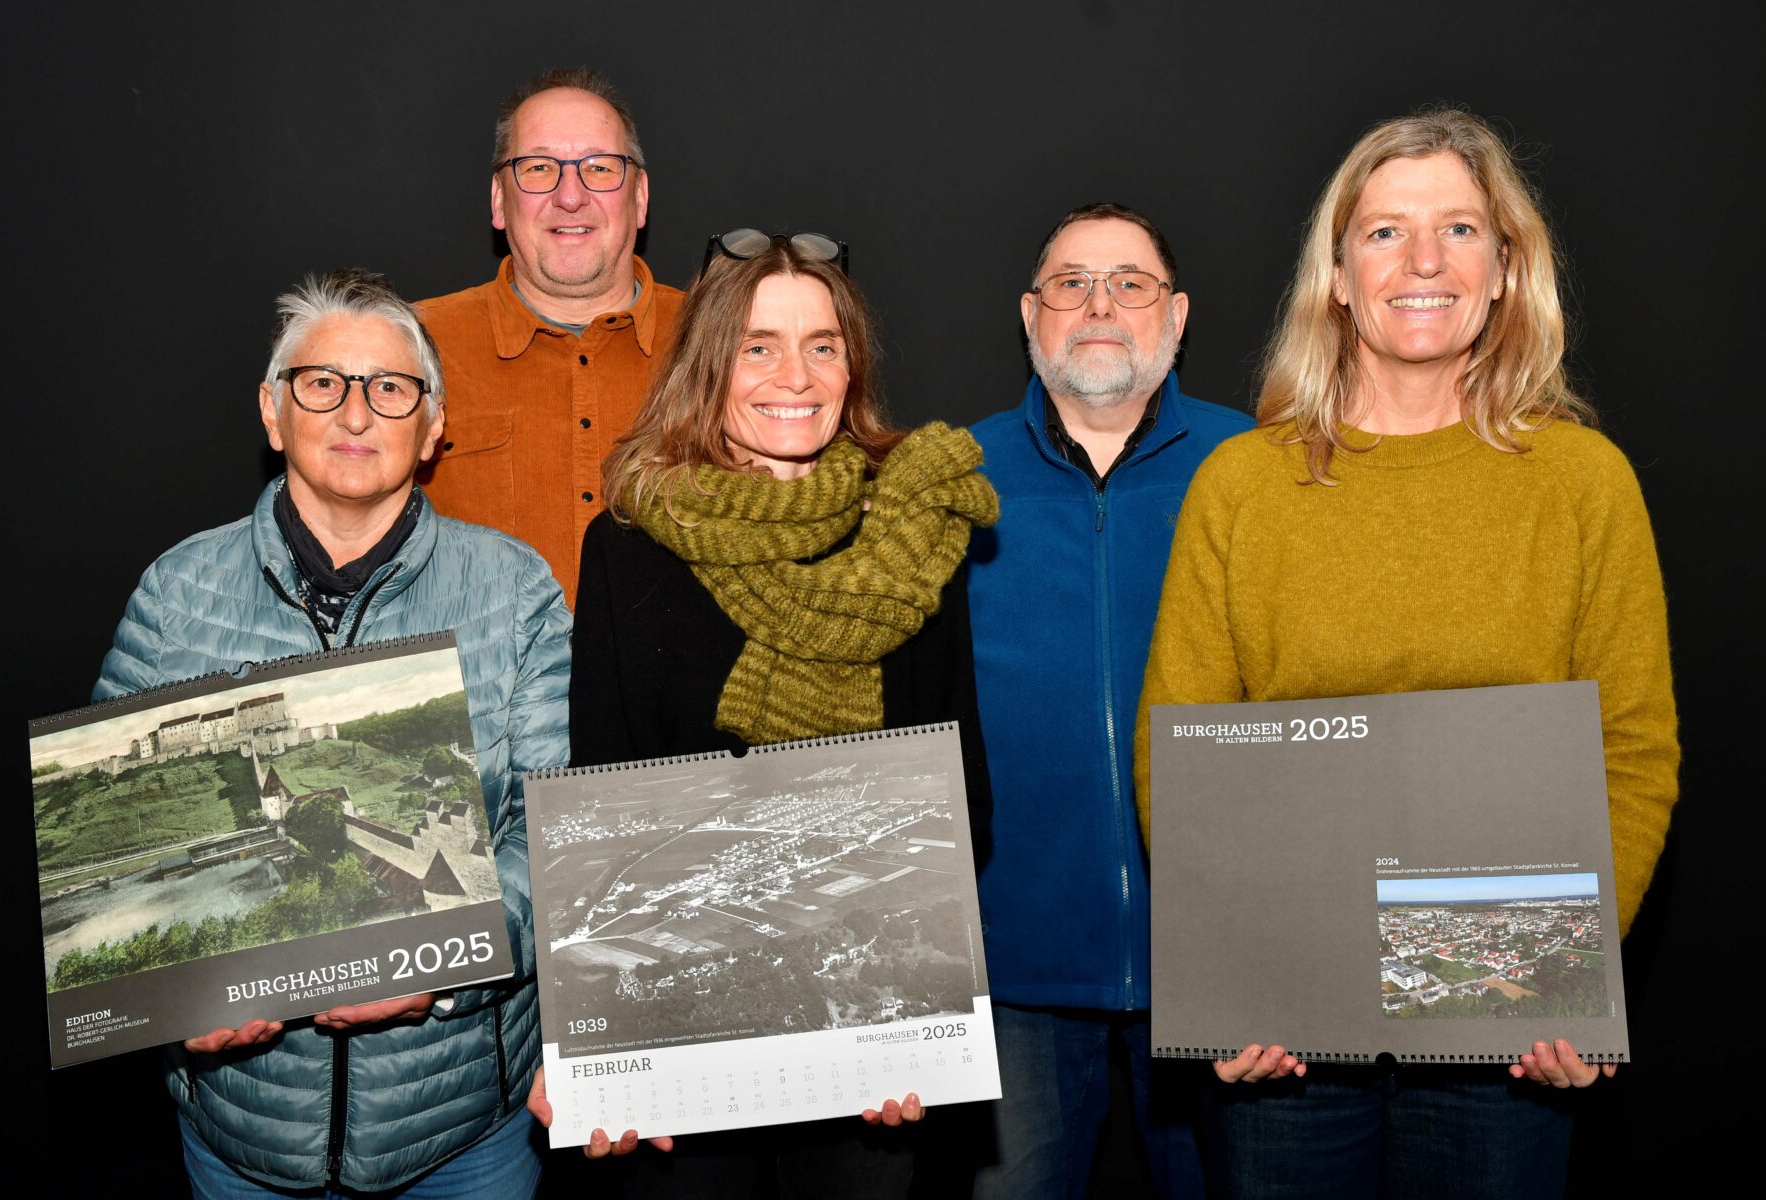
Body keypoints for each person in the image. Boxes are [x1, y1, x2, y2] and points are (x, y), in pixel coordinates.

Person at [1134, 109, 1679, 1196]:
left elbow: (1632, 750)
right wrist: (1234, 976)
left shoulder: (1584, 484)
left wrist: (1566, 974)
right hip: (1290, 1036)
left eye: (1460, 230)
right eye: (1385, 232)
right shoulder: (1243, 486)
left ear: (1505, 267)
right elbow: (1179, 753)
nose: (1423, 262)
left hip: (1505, 1031)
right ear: (1337, 275)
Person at [95, 269, 571, 1197]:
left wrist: (444, 968)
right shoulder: (176, 590)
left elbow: (553, 837)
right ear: (273, 412)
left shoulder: (516, 591)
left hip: (460, 1133)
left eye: (391, 389)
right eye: (323, 383)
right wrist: (168, 1005)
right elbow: (135, 816)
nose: (356, 414)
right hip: (244, 1136)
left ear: (434, 428)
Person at [559, 231, 997, 1197]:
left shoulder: (914, 529)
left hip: (866, 1048)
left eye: (823, 345)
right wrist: (606, 1044)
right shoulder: (628, 550)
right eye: (759, 346)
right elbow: (602, 802)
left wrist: (914, 1007)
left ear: (854, 367)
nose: (794, 375)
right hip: (682, 1042)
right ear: (710, 365)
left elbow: (960, 794)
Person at [965, 203, 1250, 1198]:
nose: (1099, 304)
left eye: (1128, 283)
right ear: (1030, 316)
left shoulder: (1257, 469)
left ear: (1175, 315)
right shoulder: (948, 480)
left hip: (1226, 965)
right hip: (1011, 973)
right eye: (1070, 283)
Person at [418, 67, 684, 608]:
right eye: (538, 168)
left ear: (639, 197)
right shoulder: (411, 347)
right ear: (498, 199)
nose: (570, 196)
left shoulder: (725, 340)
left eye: (599, 167)